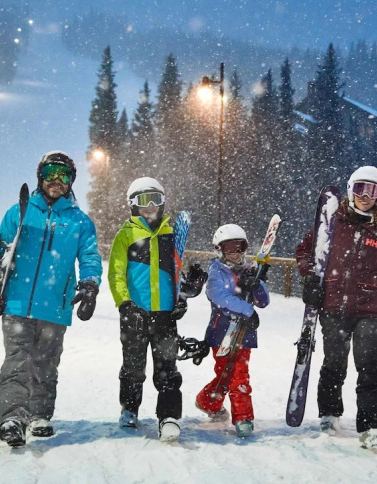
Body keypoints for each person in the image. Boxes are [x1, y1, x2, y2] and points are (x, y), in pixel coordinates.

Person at [0, 151, 102, 447]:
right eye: (51, 172)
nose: (56, 180)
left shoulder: (80, 221)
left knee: (46, 364)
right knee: (17, 361)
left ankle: (39, 415)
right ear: (41, 176)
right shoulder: (19, 212)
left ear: (71, 181)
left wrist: (90, 285)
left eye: (64, 175)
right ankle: (12, 418)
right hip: (17, 303)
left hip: (55, 306)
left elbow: (90, 256)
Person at [295, 166, 377, 449]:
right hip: (333, 305)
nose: (365, 196)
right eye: (360, 189)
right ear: (350, 190)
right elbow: (305, 251)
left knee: (369, 366)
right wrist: (309, 276)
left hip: (370, 309)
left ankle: (371, 426)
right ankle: (329, 413)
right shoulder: (332, 222)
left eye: (372, 191)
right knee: (334, 363)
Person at [108, 177, 204, 442]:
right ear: (132, 204)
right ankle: (129, 408)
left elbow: (176, 274)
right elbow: (116, 274)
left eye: (155, 199)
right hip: (135, 315)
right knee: (133, 367)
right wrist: (125, 304)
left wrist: (184, 294)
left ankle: (169, 416)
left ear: (162, 203)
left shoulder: (170, 235)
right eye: (143, 200)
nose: (150, 206)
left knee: (167, 368)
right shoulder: (126, 235)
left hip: (165, 315)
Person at [195, 224, 270, 439]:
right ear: (219, 249)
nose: (236, 253)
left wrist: (256, 285)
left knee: (238, 375)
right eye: (230, 248)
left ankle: (242, 417)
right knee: (226, 374)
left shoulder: (249, 270)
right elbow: (219, 297)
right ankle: (208, 401)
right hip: (222, 333)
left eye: (240, 247)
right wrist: (247, 310)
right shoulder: (216, 272)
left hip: (244, 334)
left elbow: (263, 301)